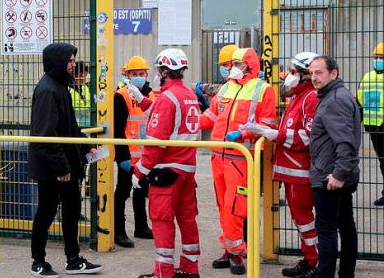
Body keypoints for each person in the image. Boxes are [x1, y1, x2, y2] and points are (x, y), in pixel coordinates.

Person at [242, 52, 320, 278]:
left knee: (304, 218)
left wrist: (272, 133)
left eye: (293, 72)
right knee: (300, 218)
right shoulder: (298, 96)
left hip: (300, 170)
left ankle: (315, 261)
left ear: (306, 75)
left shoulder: (310, 98)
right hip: (291, 169)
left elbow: (307, 137)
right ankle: (310, 258)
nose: (288, 76)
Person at [199, 48, 276, 275]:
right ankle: (229, 248)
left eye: (238, 63)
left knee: (235, 206)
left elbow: (267, 125)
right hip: (217, 156)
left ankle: (237, 253)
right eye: (232, 63)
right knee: (223, 205)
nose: (232, 67)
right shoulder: (226, 87)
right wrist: (189, 120)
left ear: (250, 65)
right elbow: (211, 117)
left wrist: (243, 134)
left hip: (241, 157)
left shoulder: (263, 90)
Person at [28, 43, 102, 277]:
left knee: (72, 209)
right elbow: (46, 134)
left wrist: (86, 145)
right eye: (70, 61)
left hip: (65, 163)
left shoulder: (60, 86)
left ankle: (73, 259)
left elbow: (69, 127)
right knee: (47, 211)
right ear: (58, 62)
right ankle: (38, 261)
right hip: (52, 166)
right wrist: (61, 167)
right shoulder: (47, 90)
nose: (73, 65)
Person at [134, 48, 201, 278]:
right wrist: (143, 101)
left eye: (158, 71)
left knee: (162, 220)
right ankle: (191, 268)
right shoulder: (188, 94)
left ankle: (164, 272)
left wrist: (139, 172)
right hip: (187, 169)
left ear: (164, 71)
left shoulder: (167, 98)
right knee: (187, 219)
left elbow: (155, 144)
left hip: (166, 171)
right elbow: (170, 117)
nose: (156, 74)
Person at [308, 56, 360, 278]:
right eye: (311, 73)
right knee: (345, 225)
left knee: (327, 230)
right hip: (336, 173)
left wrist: (338, 174)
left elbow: (345, 142)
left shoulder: (334, 100)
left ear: (333, 73)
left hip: (330, 177)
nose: (314, 77)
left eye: (319, 72)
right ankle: (346, 273)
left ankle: (325, 274)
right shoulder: (338, 95)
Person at [114, 55, 155, 248]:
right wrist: (122, 156)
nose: (138, 76)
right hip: (128, 157)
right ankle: (119, 231)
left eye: (141, 73)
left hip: (145, 156)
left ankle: (141, 227)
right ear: (127, 75)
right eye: (134, 73)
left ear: (146, 74)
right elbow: (117, 129)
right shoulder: (121, 96)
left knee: (141, 191)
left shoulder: (151, 96)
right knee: (122, 192)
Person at [357, 42, 384, 206]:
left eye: (382, 58)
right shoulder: (367, 77)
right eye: (377, 57)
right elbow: (360, 102)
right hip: (374, 127)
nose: (378, 60)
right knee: (383, 161)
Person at [194, 44, 238, 112]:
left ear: (236, 63)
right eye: (221, 65)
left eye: (225, 64)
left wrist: (202, 88)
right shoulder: (232, 82)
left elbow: (225, 90)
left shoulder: (250, 83)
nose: (223, 68)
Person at [69, 61, 91, 126]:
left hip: (87, 123)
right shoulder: (67, 89)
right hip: (73, 124)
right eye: (85, 75)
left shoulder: (85, 87)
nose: (86, 78)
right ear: (80, 74)